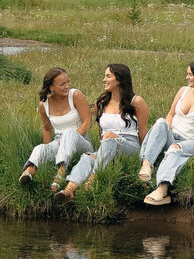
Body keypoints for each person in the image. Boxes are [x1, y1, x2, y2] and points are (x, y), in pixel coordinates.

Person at [139, 59, 194, 206]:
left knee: (174, 149)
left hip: (192, 142)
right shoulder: (182, 91)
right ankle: (147, 164)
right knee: (161, 122)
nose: (187, 77)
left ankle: (163, 189)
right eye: (187, 74)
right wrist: (165, 132)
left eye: (190, 74)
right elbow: (170, 115)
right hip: (173, 136)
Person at [60, 63, 148, 203]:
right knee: (87, 158)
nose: (104, 80)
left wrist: (144, 160)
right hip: (106, 146)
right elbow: (101, 133)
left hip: (129, 146)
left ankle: (93, 178)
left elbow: (142, 131)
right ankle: (69, 190)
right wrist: (100, 152)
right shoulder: (100, 103)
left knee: (109, 137)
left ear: (119, 79)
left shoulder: (136, 102)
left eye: (108, 76)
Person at [18, 68, 93, 186]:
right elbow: (47, 129)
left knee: (69, 133)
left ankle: (61, 171)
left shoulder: (75, 95)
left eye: (68, 82)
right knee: (40, 148)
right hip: (58, 142)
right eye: (62, 84)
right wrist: (48, 150)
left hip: (81, 141)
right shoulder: (44, 104)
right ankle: (29, 171)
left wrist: (67, 139)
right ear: (51, 87)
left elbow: (88, 122)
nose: (67, 86)